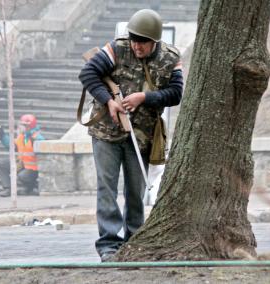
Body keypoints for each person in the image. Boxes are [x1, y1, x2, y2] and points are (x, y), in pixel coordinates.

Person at [78, 9, 183, 262]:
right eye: (134, 40)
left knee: (136, 190)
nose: (137, 46)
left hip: (142, 135)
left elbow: (176, 93)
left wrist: (144, 97)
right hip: (106, 132)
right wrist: (108, 101)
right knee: (107, 188)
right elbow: (88, 74)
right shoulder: (116, 49)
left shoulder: (170, 58)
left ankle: (135, 239)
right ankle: (108, 245)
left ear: (154, 41)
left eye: (142, 42)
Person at [0, 114, 45, 197]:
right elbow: (12, 145)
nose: (20, 127)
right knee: (2, 163)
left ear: (29, 126)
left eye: (23, 125)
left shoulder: (37, 138)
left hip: (34, 169)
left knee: (23, 176)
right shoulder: (22, 136)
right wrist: (2, 136)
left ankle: (32, 187)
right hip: (23, 165)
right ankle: (7, 189)